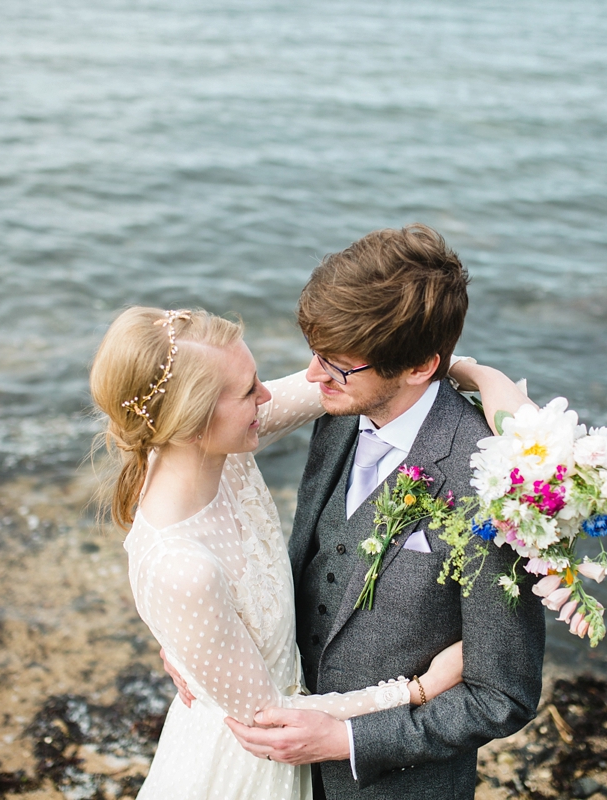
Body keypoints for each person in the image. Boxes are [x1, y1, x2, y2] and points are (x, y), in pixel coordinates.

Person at [90, 306, 493, 800]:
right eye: (248, 391)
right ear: (192, 422)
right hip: (249, 773)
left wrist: (484, 379)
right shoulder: (182, 568)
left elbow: (371, 378)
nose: (267, 395)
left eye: (257, 378)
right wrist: (416, 690)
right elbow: (272, 723)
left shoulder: (213, 446)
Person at [223, 224, 546, 799]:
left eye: (339, 365)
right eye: (315, 356)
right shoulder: (340, 410)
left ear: (420, 366)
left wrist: (346, 740)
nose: (315, 377)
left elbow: (503, 694)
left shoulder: (494, 487)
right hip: (280, 775)